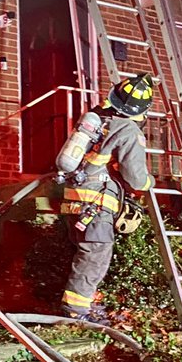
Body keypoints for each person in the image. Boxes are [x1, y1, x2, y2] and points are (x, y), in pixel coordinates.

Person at [59, 73, 155, 319]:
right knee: (96, 255)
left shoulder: (97, 119)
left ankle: (85, 303)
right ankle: (76, 311)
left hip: (73, 200)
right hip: (96, 204)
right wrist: (149, 182)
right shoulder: (129, 130)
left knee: (87, 254)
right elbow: (136, 178)